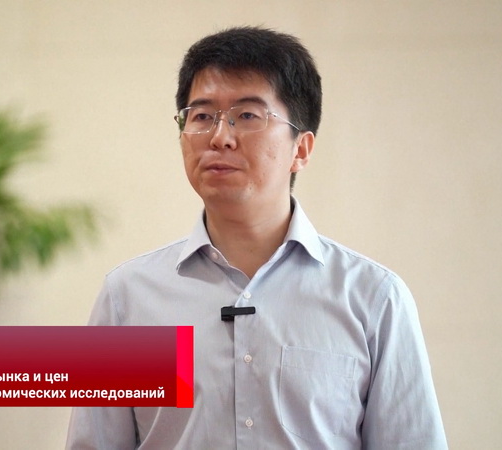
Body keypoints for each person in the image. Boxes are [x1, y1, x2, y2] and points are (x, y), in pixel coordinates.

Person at [66, 26, 447, 449]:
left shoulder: (373, 298)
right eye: (202, 116)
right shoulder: (129, 297)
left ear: (301, 149)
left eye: (247, 116)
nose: (220, 137)